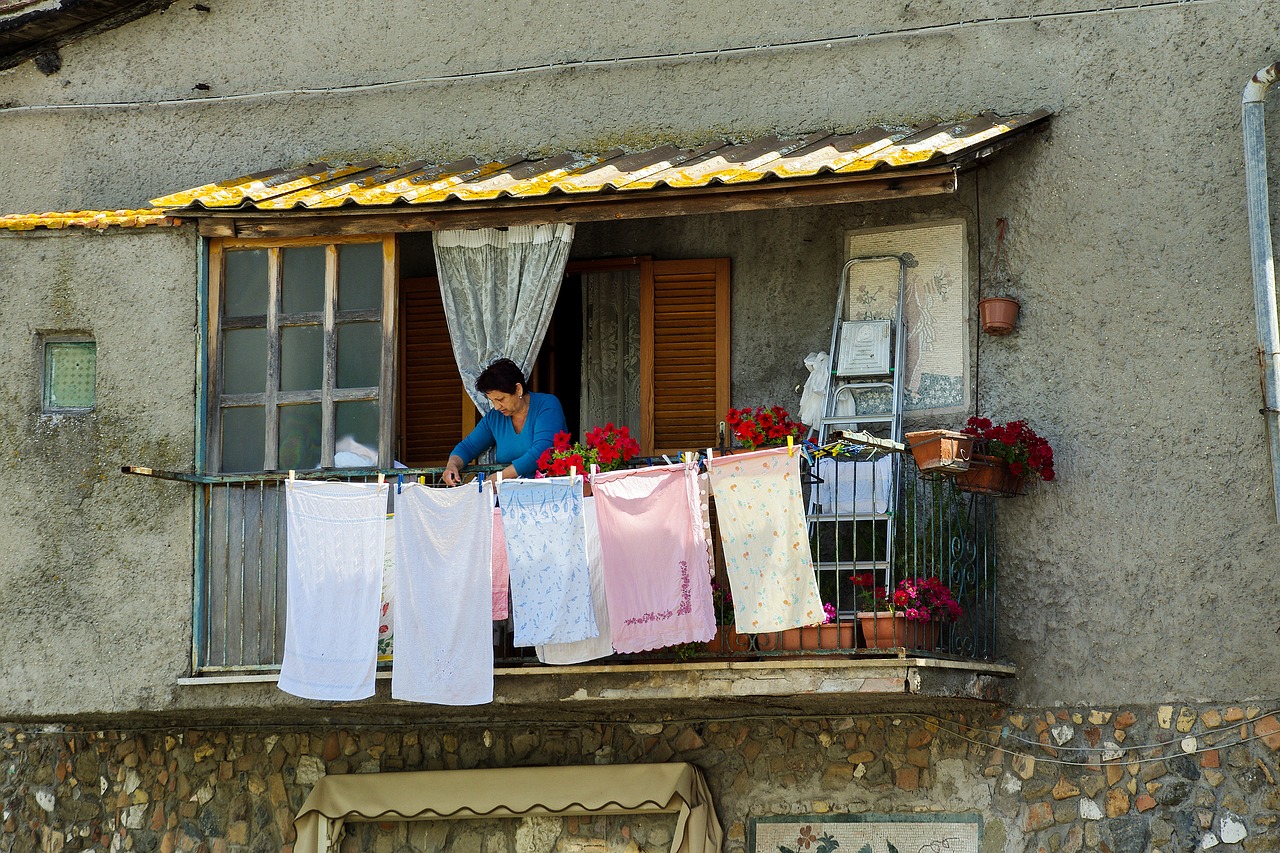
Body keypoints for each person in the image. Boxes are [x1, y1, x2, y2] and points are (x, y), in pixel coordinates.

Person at [442, 358, 567, 486]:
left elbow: (542, 451)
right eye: (492, 401)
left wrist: (502, 476)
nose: (496, 407)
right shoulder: (495, 418)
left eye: (500, 399)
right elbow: (468, 447)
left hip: (550, 492)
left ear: (518, 389)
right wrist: (452, 464)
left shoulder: (547, 405)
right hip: (508, 496)